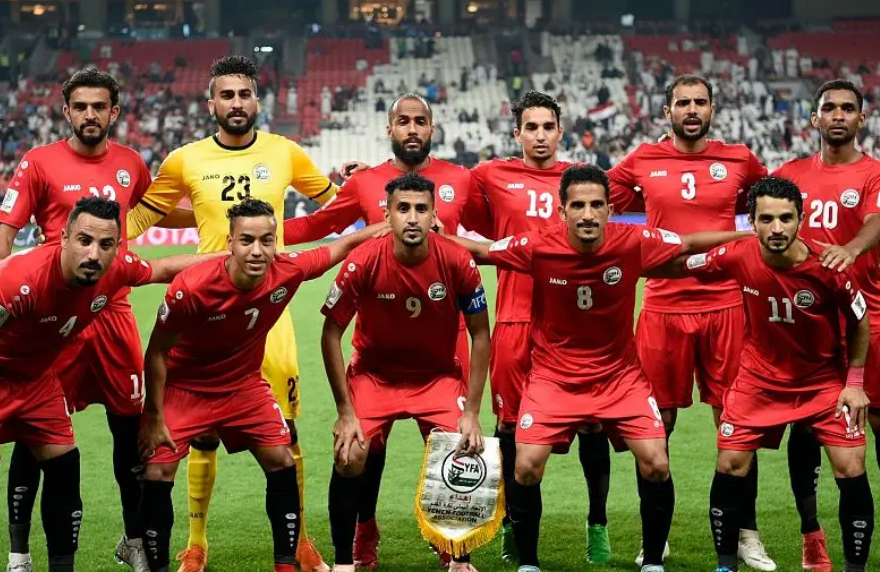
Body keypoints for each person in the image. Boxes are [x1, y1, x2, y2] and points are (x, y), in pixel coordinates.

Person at [448, 164, 745, 572]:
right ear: (562, 211)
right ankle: (529, 563)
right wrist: (425, 235)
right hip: (553, 378)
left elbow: (689, 242)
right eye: (578, 206)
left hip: (619, 377)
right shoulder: (538, 244)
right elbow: (481, 251)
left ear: (610, 209)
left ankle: (653, 562)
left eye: (596, 205)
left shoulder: (632, 240)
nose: (588, 215)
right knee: (526, 466)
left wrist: (752, 237)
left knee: (657, 462)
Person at [126, 55, 337, 572]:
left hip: (270, 312)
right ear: (211, 104)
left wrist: (359, 191)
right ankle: (195, 543)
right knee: (200, 433)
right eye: (227, 95)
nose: (236, 103)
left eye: (244, 94)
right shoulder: (184, 160)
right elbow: (139, 219)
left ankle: (299, 541)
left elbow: (334, 206)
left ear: (256, 100)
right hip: (206, 308)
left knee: (285, 432)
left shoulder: (284, 151)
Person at [137, 198, 386, 572]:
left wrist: (391, 226)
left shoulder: (288, 271)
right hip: (185, 389)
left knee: (281, 460)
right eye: (247, 240)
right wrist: (154, 417)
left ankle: (285, 566)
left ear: (276, 242)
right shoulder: (191, 287)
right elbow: (156, 352)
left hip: (244, 386)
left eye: (266, 241)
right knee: (157, 471)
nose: (257, 251)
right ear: (230, 242)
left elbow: (343, 245)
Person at [0, 67, 182, 572]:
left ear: (113, 112)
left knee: (130, 429)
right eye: (80, 106)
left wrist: (215, 213)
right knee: (33, 431)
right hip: (52, 312)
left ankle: (135, 540)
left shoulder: (130, 163)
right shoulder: (38, 161)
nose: (89, 114)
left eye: (99, 106)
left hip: (111, 308)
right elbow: (7, 229)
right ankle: (20, 552)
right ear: (66, 111)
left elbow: (160, 212)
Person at [285, 93, 473, 570]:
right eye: (402, 121)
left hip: (445, 342)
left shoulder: (461, 179)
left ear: (432, 128)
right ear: (389, 129)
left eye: (420, 121)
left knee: (454, 448)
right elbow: (319, 224)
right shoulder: (365, 183)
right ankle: (363, 530)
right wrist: (265, 234)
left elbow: (490, 235)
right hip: (378, 342)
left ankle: (451, 543)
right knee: (368, 447)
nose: (411, 129)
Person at [608, 74, 773, 569]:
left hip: (727, 304)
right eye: (683, 102)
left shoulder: (740, 159)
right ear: (667, 112)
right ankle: (655, 538)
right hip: (663, 306)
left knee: (737, 421)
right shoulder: (643, 158)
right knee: (656, 424)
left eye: (701, 102)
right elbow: (597, 197)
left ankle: (745, 533)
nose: (692, 109)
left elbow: (768, 201)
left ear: (713, 109)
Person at [0, 196, 209, 572]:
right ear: (63, 238)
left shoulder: (116, 270)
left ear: (117, 247)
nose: (94, 254)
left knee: (65, 466)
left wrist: (230, 259)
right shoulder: (18, 280)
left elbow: (162, 268)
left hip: (37, 384)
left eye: (106, 244)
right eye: (84, 241)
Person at [680, 177, 874, 572]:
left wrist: (854, 384)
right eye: (766, 219)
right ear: (751, 222)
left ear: (801, 219)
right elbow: (683, 261)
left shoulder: (829, 266)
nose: (777, 228)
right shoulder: (738, 255)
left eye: (786, 218)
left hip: (822, 383)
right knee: (730, 464)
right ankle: (725, 566)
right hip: (759, 382)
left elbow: (860, 321)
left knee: (851, 466)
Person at [461, 91, 614, 563]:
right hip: (515, 320)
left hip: (575, 324)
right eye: (532, 127)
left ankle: (598, 522)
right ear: (518, 134)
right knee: (510, 426)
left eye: (549, 127)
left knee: (592, 423)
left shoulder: (580, 181)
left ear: (560, 132)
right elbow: (443, 194)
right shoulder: (490, 175)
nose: (541, 135)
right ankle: (514, 521)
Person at [320, 172, 490, 572]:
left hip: (436, 377)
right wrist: (345, 412)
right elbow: (331, 334)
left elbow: (481, 334)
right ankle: (347, 557)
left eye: (420, 209)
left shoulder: (457, 260)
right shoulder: (363, 259)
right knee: (350, 455)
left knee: (464, 449)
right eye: (403, 209)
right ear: (387, 215)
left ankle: (457, 554)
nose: (412, 218)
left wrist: (472, 412)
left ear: (434, 215)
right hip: (373, 376)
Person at [772, 78, 880, 572]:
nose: (838, 115)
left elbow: (875, 222)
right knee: (806, 431)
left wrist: (852, 249)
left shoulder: (873, 174)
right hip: (807, 325)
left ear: (861, 118)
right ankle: (811, 533)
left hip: (869, 319)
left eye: (847, 108)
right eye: (829, 108)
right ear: (814, 118)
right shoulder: (790, 174)